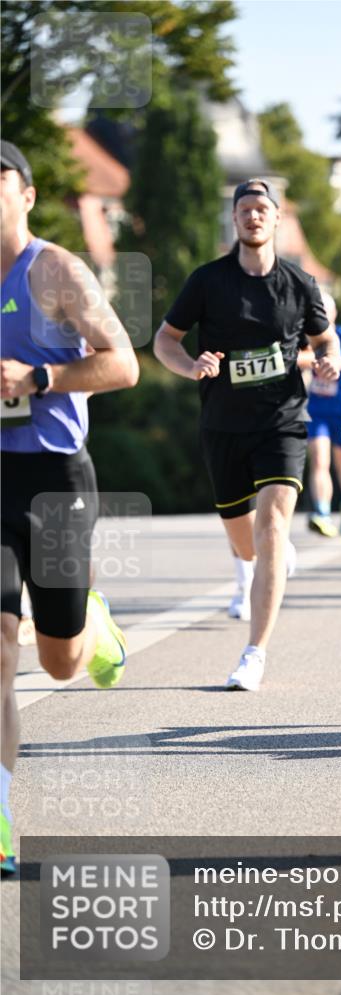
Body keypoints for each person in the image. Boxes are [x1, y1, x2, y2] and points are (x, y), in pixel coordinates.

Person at [0, 141, 139, 875]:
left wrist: (39, 375)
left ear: (24, 194)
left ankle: (90, 618)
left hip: (53, 478)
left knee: (58, 662)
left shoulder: (54, 270)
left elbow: (123, 362)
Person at [154, 178, 340, 692]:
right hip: (223, 424)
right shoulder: (207, 281)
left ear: (277, 218)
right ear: (234, 220)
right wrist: (191, 366)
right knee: (245, 537)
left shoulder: (299, 283)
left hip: (282, 420)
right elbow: (164, 341)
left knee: (273, 526)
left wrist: (327, 365)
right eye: (244, 210)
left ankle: (254, 652)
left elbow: (325, 339)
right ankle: (252, 565)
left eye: (262, 209)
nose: (253, 217)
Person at [304, 292, 341, 538]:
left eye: (326, 311)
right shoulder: (307, 340)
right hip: (317, 411)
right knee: (318, 460)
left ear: (334, 313)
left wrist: (339, 363)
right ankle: (322, 512)